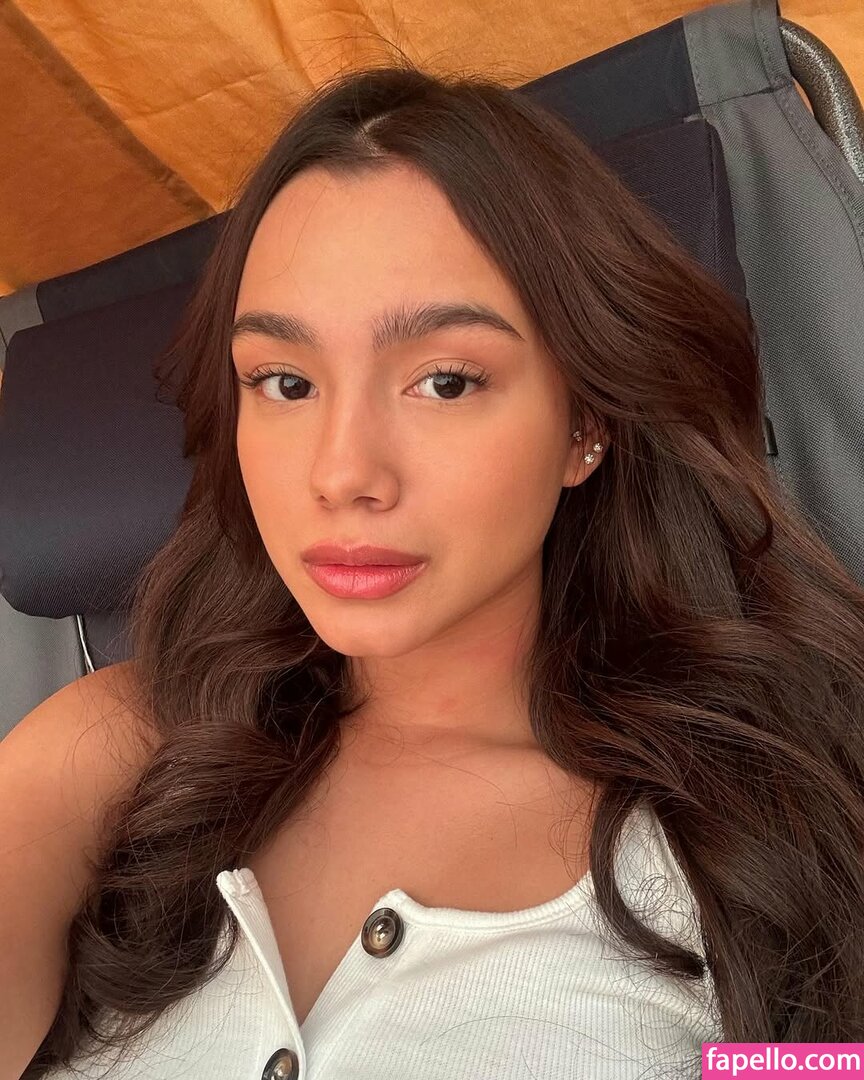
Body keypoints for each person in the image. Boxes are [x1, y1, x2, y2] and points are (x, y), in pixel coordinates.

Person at [5, 56, 864, 1080]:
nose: (342, 473)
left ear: (584, 424)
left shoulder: (757, 829)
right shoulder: (120, 746)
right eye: (284, 382)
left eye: (446, 382)